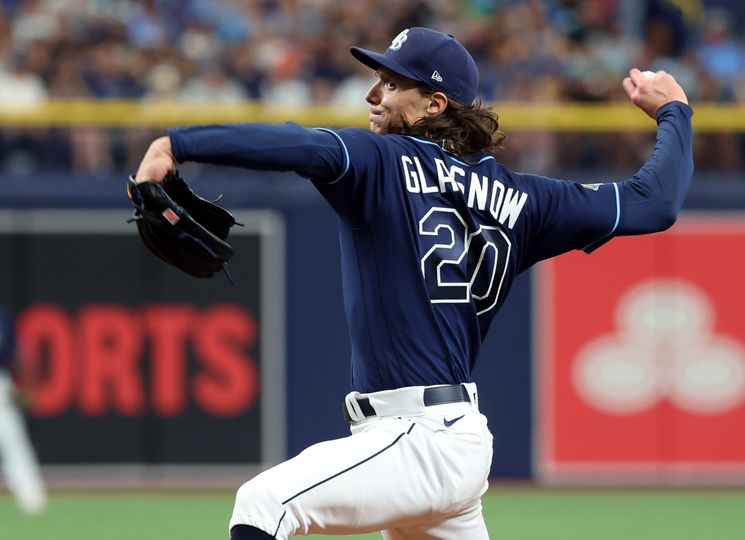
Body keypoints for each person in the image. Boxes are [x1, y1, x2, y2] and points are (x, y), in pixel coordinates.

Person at [134, 27, 692, 540]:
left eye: (392, 83)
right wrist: (673, 112)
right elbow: (654, 202)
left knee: (263, 504)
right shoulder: (527, 200)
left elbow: (300, 146)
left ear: (434, 104)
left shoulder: (381, 161)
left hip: (414, 438)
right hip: (452, 440)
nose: (374, 95)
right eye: (378, 79)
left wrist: (176, 145)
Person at [0, 307, 47, 515]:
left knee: (13, 440)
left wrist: (27, 388)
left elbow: (20, 354)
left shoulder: (3, 319)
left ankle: (31, 498)